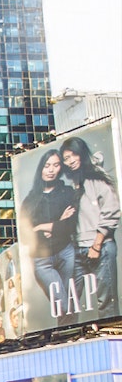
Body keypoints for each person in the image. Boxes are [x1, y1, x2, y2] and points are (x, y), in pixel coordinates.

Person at [63, 135, 121, 317]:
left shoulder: (96, 178)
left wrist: (97, 244)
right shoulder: (75, 182)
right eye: (66, 158)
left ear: (81, 154)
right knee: (68, 303)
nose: (70, 161)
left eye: (73, 155)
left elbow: (111, 210)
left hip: (100, 246)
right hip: (78, 249)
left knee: (107, 303)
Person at [21, 150, 79, 318]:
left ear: (61, 168)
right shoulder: (30, 200)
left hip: (66, 252)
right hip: (42, 260)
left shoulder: (67, 192)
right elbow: (26, 236)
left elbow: (71, 224)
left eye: (56, 165)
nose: (51, 170)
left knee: (71, 307)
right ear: (41, 168)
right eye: (47, 166)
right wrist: (57, 223)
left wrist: (40, 227)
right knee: (64, 306)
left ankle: (69, 341)